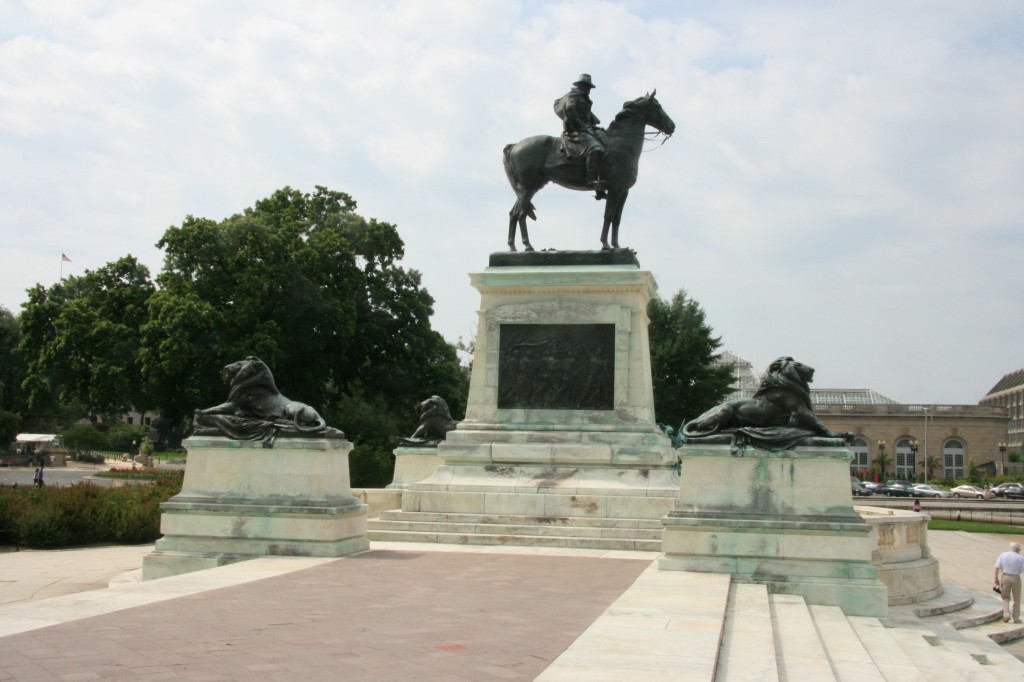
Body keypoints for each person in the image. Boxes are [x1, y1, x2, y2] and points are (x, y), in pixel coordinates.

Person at [553, 74, 607, 194]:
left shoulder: (585, 99)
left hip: (587, 128)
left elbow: (587, 116)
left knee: (606, 142)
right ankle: (591, 179)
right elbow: (570, 108)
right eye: (587, 87)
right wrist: (577, 122)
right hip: (575, 130)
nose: (588, 90)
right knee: (595, 149)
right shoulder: (574, 96)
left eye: (589, 87)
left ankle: (601, 181)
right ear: (581, 86)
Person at [994, 542, 1024, 623]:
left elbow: (997, 567)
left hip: (1005, 577)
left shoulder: (1003, 555)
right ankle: (1016, 618)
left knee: (1005, 597)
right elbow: (1022, 570)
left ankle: (1006, 614)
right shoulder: (1020, 557)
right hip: (1016, 578)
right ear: (1018, 550)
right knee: (1016, 598)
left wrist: (996, 578)